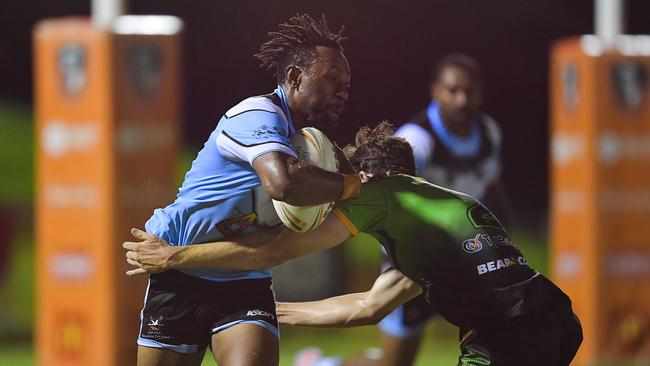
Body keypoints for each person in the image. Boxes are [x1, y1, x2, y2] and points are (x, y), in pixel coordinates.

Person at [123, 122, 583, 366]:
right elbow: (367, 307)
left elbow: (275, 251)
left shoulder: (377, 194)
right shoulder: (441, 210)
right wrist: (263, 310)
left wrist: (174, 256)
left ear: (366, 177)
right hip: (556, 321)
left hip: (506, 335)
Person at [132, 13, 357, 366]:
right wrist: (351, 186)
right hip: (177, 271)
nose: (342, 90)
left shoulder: (316, 150)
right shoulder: (256, 115)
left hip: (243, 278)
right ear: (296, 78)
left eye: (346, 82)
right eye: (331, 79)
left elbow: (271, 246)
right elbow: (283, 184)